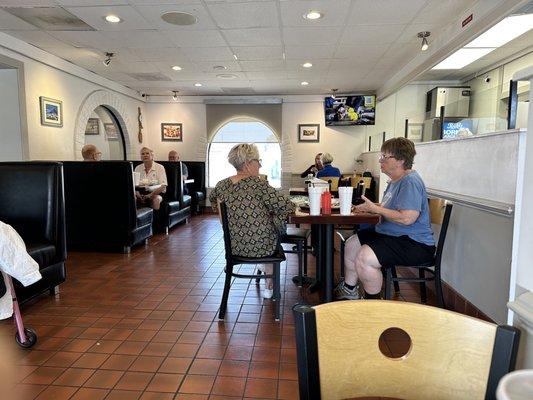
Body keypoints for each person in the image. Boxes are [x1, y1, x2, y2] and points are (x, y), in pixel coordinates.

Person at [334, 137, 436, 300]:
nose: (380, 160)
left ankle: (373, 304)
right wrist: (369, 208)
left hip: (414, 243)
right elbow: (390, 206)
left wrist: (375, 208)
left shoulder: (410, 181)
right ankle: (350, 289)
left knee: (365, 257)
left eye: (384, 157)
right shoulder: (396, 180)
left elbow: (407, 218)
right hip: (392, 235)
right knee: (352, 244)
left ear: (401, 160)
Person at [209, 143, 295, 299]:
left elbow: (214, 201)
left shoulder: (221, 185)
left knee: (267, 231)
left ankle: (266, 274)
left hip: (234, 246)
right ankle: (269, 285)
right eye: (258, 160)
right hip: (262, 247)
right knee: (273, 234)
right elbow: (287, 206)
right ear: (248, 164)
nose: (260, 165)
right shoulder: (259, 184)